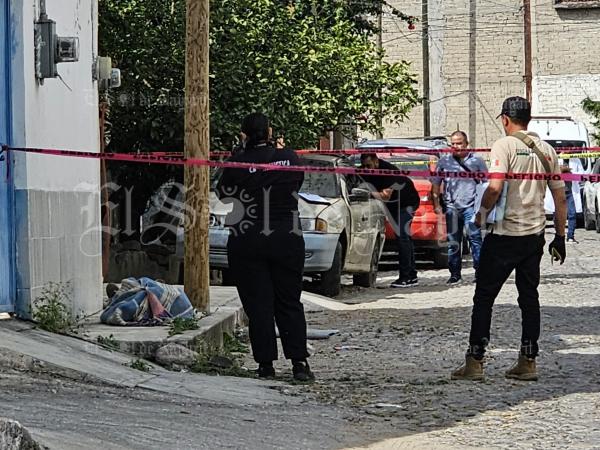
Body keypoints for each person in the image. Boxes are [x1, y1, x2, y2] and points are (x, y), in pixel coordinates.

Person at [451, 96, 567, 382]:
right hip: (534, 235)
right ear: (528, 118)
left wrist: (480, 215)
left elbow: (494, 188)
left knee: (484, 297)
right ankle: (528, 361)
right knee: (529, 297)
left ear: (505, 119)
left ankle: (475, 361)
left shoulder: (504, 145)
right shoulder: (547, 150)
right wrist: (560, 236)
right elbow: (560, 197)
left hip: (504, 235)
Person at [216, 112, 314, 381]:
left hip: (247, 236)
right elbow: (297, 183)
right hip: (286, 235)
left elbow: (223, 195)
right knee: (289, 301)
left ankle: (265, 365)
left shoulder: (237, 162)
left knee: (258, 304)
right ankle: (299, 363)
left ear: (243, 135)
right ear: (270, 132)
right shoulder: (290, 158)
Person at [432, 131, 487, 285]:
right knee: (453, 242)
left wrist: (484, 207)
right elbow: (436, 184)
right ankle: (455, 274)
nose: (456, 146)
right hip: (452, 207)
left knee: (475, 239)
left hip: (471, 207)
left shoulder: (477, 161)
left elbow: (486, 184)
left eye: (459, 143)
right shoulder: (444, 162)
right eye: (453, 143)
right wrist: (436, 204)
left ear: (466, 144)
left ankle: (480, 273)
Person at [360, 153, 421, 288]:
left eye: (369, 166)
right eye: (363, 166)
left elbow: (385, 196)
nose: (366, 169)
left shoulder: (389, 172)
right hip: (394, 205)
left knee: (402, 238)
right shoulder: (364, 170)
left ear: (376, 162)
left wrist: (367, 193)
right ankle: (411, 275)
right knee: (405, 238)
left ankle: (406, 277)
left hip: (406, 203)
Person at [557, 155, 584, 243]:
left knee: (572, 214)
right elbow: (551, 173)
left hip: (570, 192)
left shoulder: (576, 160)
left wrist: (570, 173)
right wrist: (561, 171)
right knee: (557, 215)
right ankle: (559, 236)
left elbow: (582, 173)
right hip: (559, 191)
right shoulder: (557, 159)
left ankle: (570, 236)